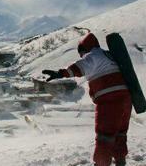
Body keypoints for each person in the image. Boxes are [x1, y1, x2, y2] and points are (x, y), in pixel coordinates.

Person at [43, 32, 132, 166]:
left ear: (84, 49)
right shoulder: (109, 55)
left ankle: (101, 164)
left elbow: (80, 67)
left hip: (109, 102)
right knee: (120, 134)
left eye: (81, 53)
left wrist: (60, 73)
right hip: (126, 100)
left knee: (104, 136)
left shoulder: (93, 55)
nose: (82, 56)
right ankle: (120, 161)